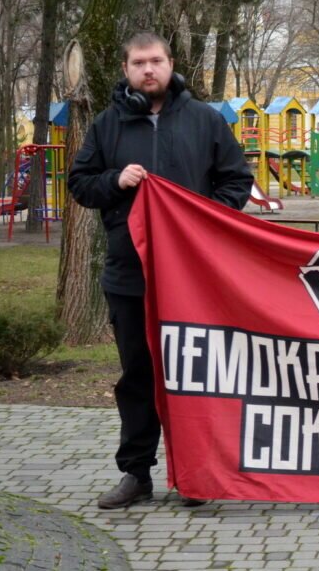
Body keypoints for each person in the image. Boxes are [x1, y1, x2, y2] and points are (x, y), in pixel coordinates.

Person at [68, 32, 253, 509]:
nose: (147, 70)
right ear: (126, 68)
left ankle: (197, 474)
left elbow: (237, 180)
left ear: (171, 64)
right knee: (138, 375)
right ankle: (136, 474)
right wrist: (115, 179)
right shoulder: (108, 125)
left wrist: (201, 220)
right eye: (138, 63)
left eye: (155, 61)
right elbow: (80, 184)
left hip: (195, 277)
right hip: (129, 273)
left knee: (196, 373)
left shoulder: (204, 121)